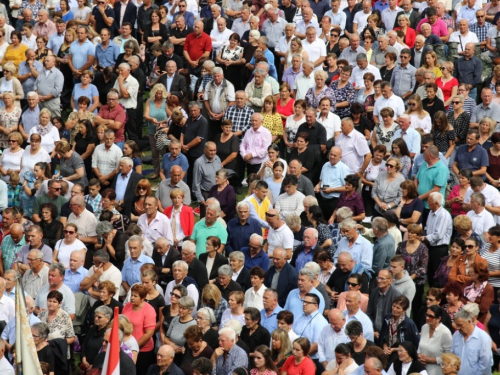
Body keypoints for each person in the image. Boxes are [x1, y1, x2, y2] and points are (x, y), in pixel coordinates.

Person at [122, 284, 157, 374]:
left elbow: (149, 333)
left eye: (135, 296)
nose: (132, 298)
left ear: (142, 298)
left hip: (142, 350)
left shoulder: (149, 310)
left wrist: (134, 347)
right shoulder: (127, 306)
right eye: (131, 295)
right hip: (125, 347)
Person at [451, 309, 492, 375]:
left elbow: (485, 364)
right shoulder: (456, 335)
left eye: (460, 325)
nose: (457, 328)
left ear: (469, 321)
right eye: (456, 325)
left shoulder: (483, 338)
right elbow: (452, 355)